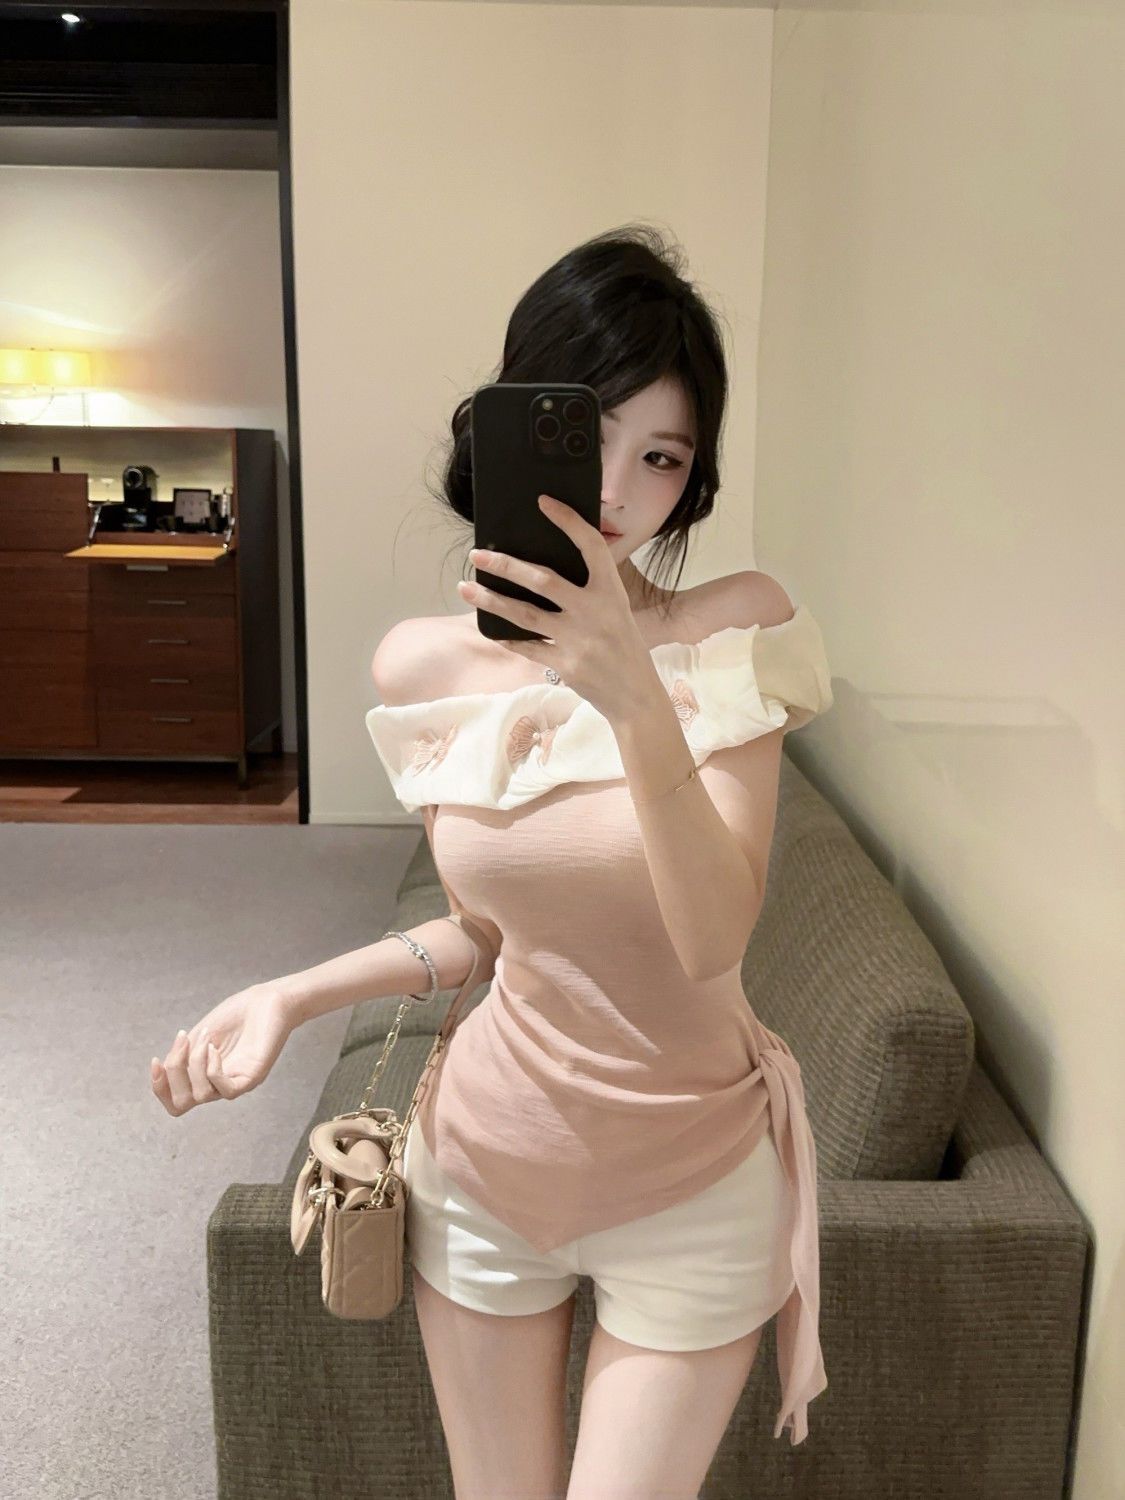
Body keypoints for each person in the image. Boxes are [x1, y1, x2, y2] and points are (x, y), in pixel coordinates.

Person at [150, 224, 832, 1500]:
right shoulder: (427, 669)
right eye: (592, 437)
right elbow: (487, 933)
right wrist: (293, 995)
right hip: (484, 1166)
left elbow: (712, 938)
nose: (617, 491)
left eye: (664, 456)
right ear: (514, 430)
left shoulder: (737, 632)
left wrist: (633, 692)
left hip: (693, 1181)